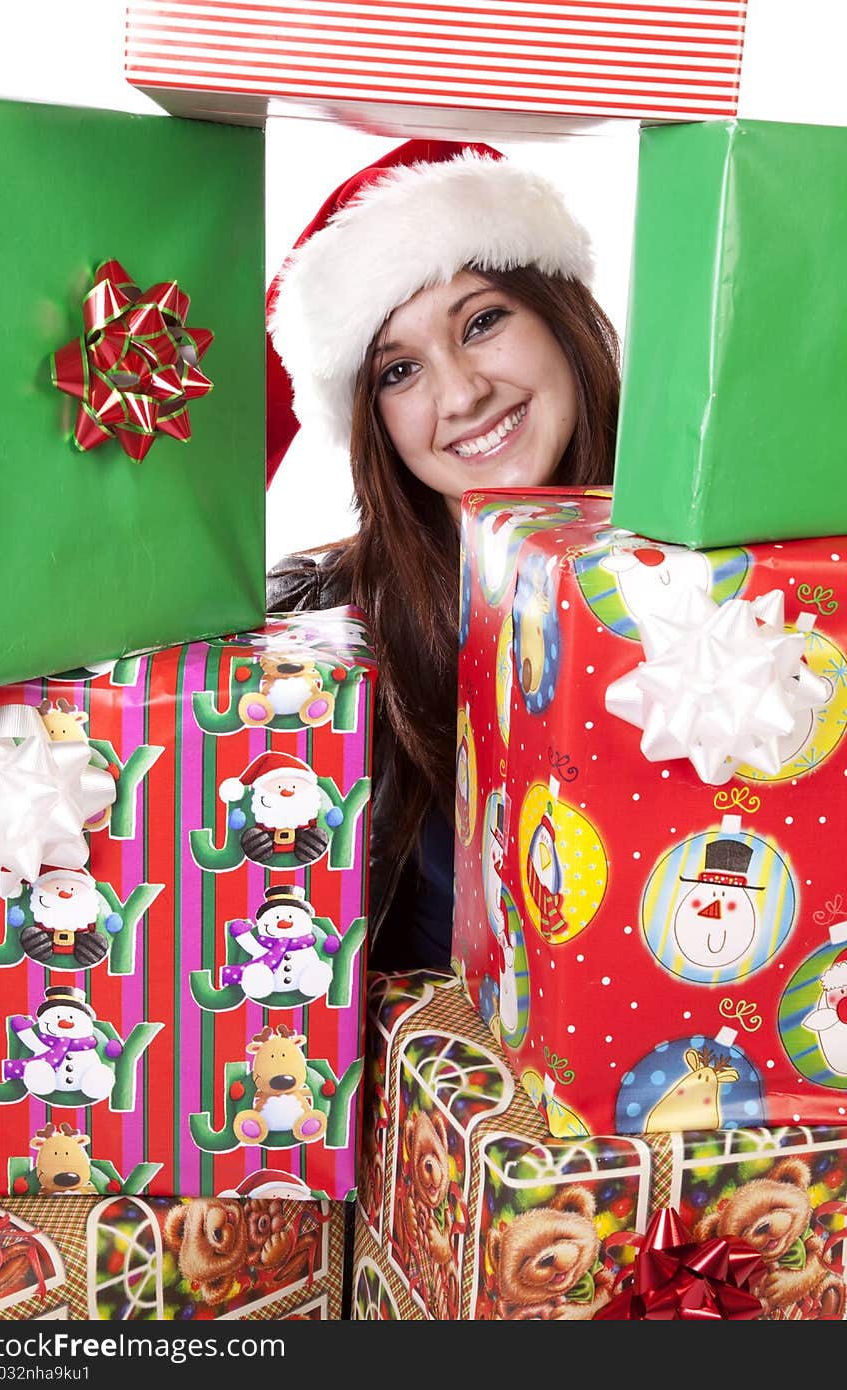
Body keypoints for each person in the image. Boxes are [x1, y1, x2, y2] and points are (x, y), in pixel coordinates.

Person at [265, 138, 620, 972]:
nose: (460, 394)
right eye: (399, 371)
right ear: (370, 420)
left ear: (561, 315)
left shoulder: (724, 587)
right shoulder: (309, 625)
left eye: (484, 321)